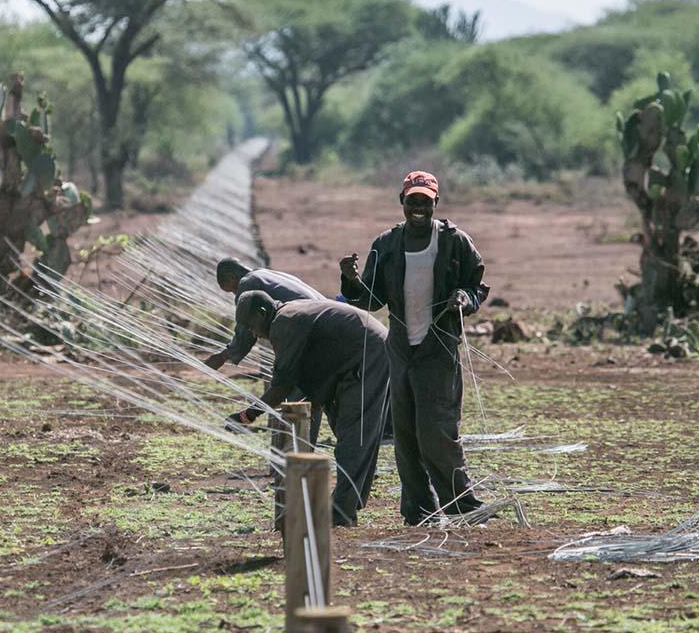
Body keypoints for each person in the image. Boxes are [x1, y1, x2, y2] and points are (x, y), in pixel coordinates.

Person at [339, 170, 489, 526]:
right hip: (401, 350)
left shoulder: (454, 241)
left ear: (436, 203)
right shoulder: (386, 244)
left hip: (439, 349)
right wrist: (350, 279)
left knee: (436, 431)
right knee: (405, 434)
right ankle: (418, 510)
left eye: (425, 201)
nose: (418, 207)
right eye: (412, 201)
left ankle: (462, 506)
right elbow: (371, 299)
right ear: (402, 203)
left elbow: (477, 286)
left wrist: (463, 298)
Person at [225, 291, 389, 527]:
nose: (253, 334)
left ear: (262, 313)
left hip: (367, 354)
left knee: (355, 436)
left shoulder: (284, 323)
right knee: (348, 434)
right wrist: (313, 401)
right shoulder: (288, 313)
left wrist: (248, 415)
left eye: (251, 326)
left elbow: (282, 386)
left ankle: (341, 513)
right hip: (347, 359)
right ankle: (347, 503)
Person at [203, 258, 326, 370]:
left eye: (233, 290)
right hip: (325, 316)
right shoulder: (266, 274)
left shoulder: (248, 283)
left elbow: (246, 330)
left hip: (309, 325)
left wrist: (222, 357)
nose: (237, 295)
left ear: (232, 277)